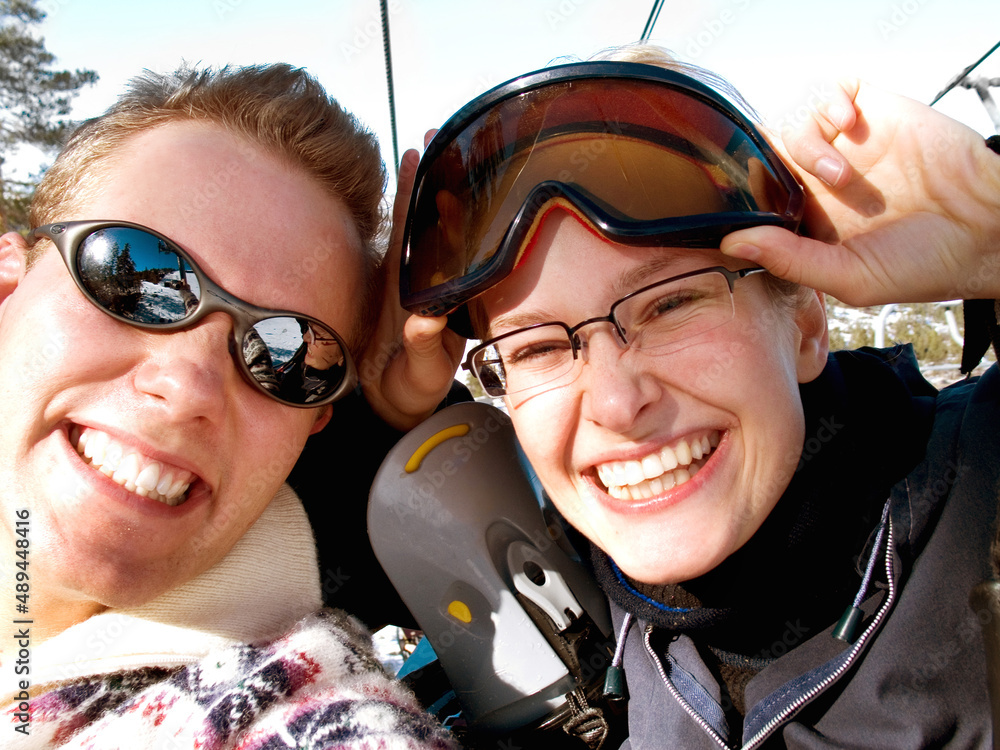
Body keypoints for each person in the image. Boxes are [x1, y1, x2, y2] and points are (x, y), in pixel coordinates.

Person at [392, 44, 1000, 747]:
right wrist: (376, 401)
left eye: (670, 305)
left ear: (804, 325)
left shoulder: (980, 490)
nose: (617, 404)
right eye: (538, 348)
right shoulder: (554, 606)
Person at [0, 63, 456, 749]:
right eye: (137, 275)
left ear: (316, 424)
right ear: (10, 285)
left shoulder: (305, 715)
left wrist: (400, 421)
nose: (189, 392)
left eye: (290, 356)